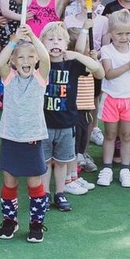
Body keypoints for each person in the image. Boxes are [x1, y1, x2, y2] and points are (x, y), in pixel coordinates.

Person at [0, 27, 52, 242]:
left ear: (35, 60)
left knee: (35, 183)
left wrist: (32, 37)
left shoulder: (40, 78)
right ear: (13, 61)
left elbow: (46, 58)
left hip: (32, 139)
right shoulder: (9, 78)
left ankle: (36, 223)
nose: (25, 61)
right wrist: (14, 41)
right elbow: (0, 62)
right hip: (10, 138)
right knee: (9, 182)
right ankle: (10, 221)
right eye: (20, 57)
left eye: (30, 57)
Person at [39, 21, 103, 208]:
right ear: (42, 43)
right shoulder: (39, 64)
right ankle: (44, 194)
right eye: (50, 39)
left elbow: (99, 72)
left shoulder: (73, 64)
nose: (55, 43)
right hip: (43, 124)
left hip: (67, 124)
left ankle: (60, 193)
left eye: (59, 39)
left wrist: (77, 55)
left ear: (66, 44)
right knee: (45, 162)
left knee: (62, 162)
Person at [97, 10, 130, 188]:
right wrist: (129, 64)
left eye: (127, 33)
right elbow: (108, 74)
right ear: (111, 32)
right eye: (119, 33)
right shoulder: (106, 50)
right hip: (111, 98)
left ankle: (125, 169)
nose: (124, 37)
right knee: (110, 135)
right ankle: (107, 168)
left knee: (126, 135)